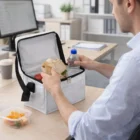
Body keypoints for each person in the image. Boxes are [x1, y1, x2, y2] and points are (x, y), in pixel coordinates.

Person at [41, 0, 140, 139]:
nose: (112, 12)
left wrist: (55, 90)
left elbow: (85, 131)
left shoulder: (133, 61)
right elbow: (133, 79)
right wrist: (96, 65)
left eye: (112, 5)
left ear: (129, 4)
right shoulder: (134, 63)